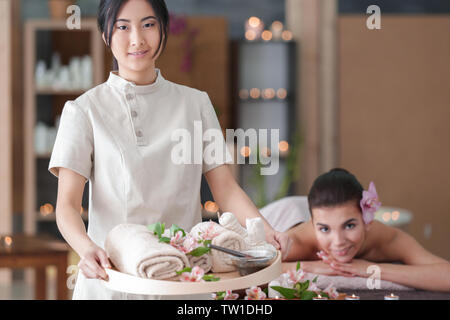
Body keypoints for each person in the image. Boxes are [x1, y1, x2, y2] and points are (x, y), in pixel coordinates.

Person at [49, 0, 290, 299]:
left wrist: (265, 232)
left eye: (148, 24)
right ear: (105, 34)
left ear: (163, 30)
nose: (137, 38)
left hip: (184, 279)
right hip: (114, 278)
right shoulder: (84, 111)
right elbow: (67, 206)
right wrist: (87, 250)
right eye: (123, 27)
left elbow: (225, 189)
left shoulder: (195, 104)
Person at [283, 168, 450, 292]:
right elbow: (258, 270)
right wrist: (308, 266)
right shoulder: (297, 242)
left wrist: (371, 269)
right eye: (325, 229)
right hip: (288, 210)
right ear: (313, 227)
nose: (339, 241)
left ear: (367, 220)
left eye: (349, 226)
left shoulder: (385, 239)